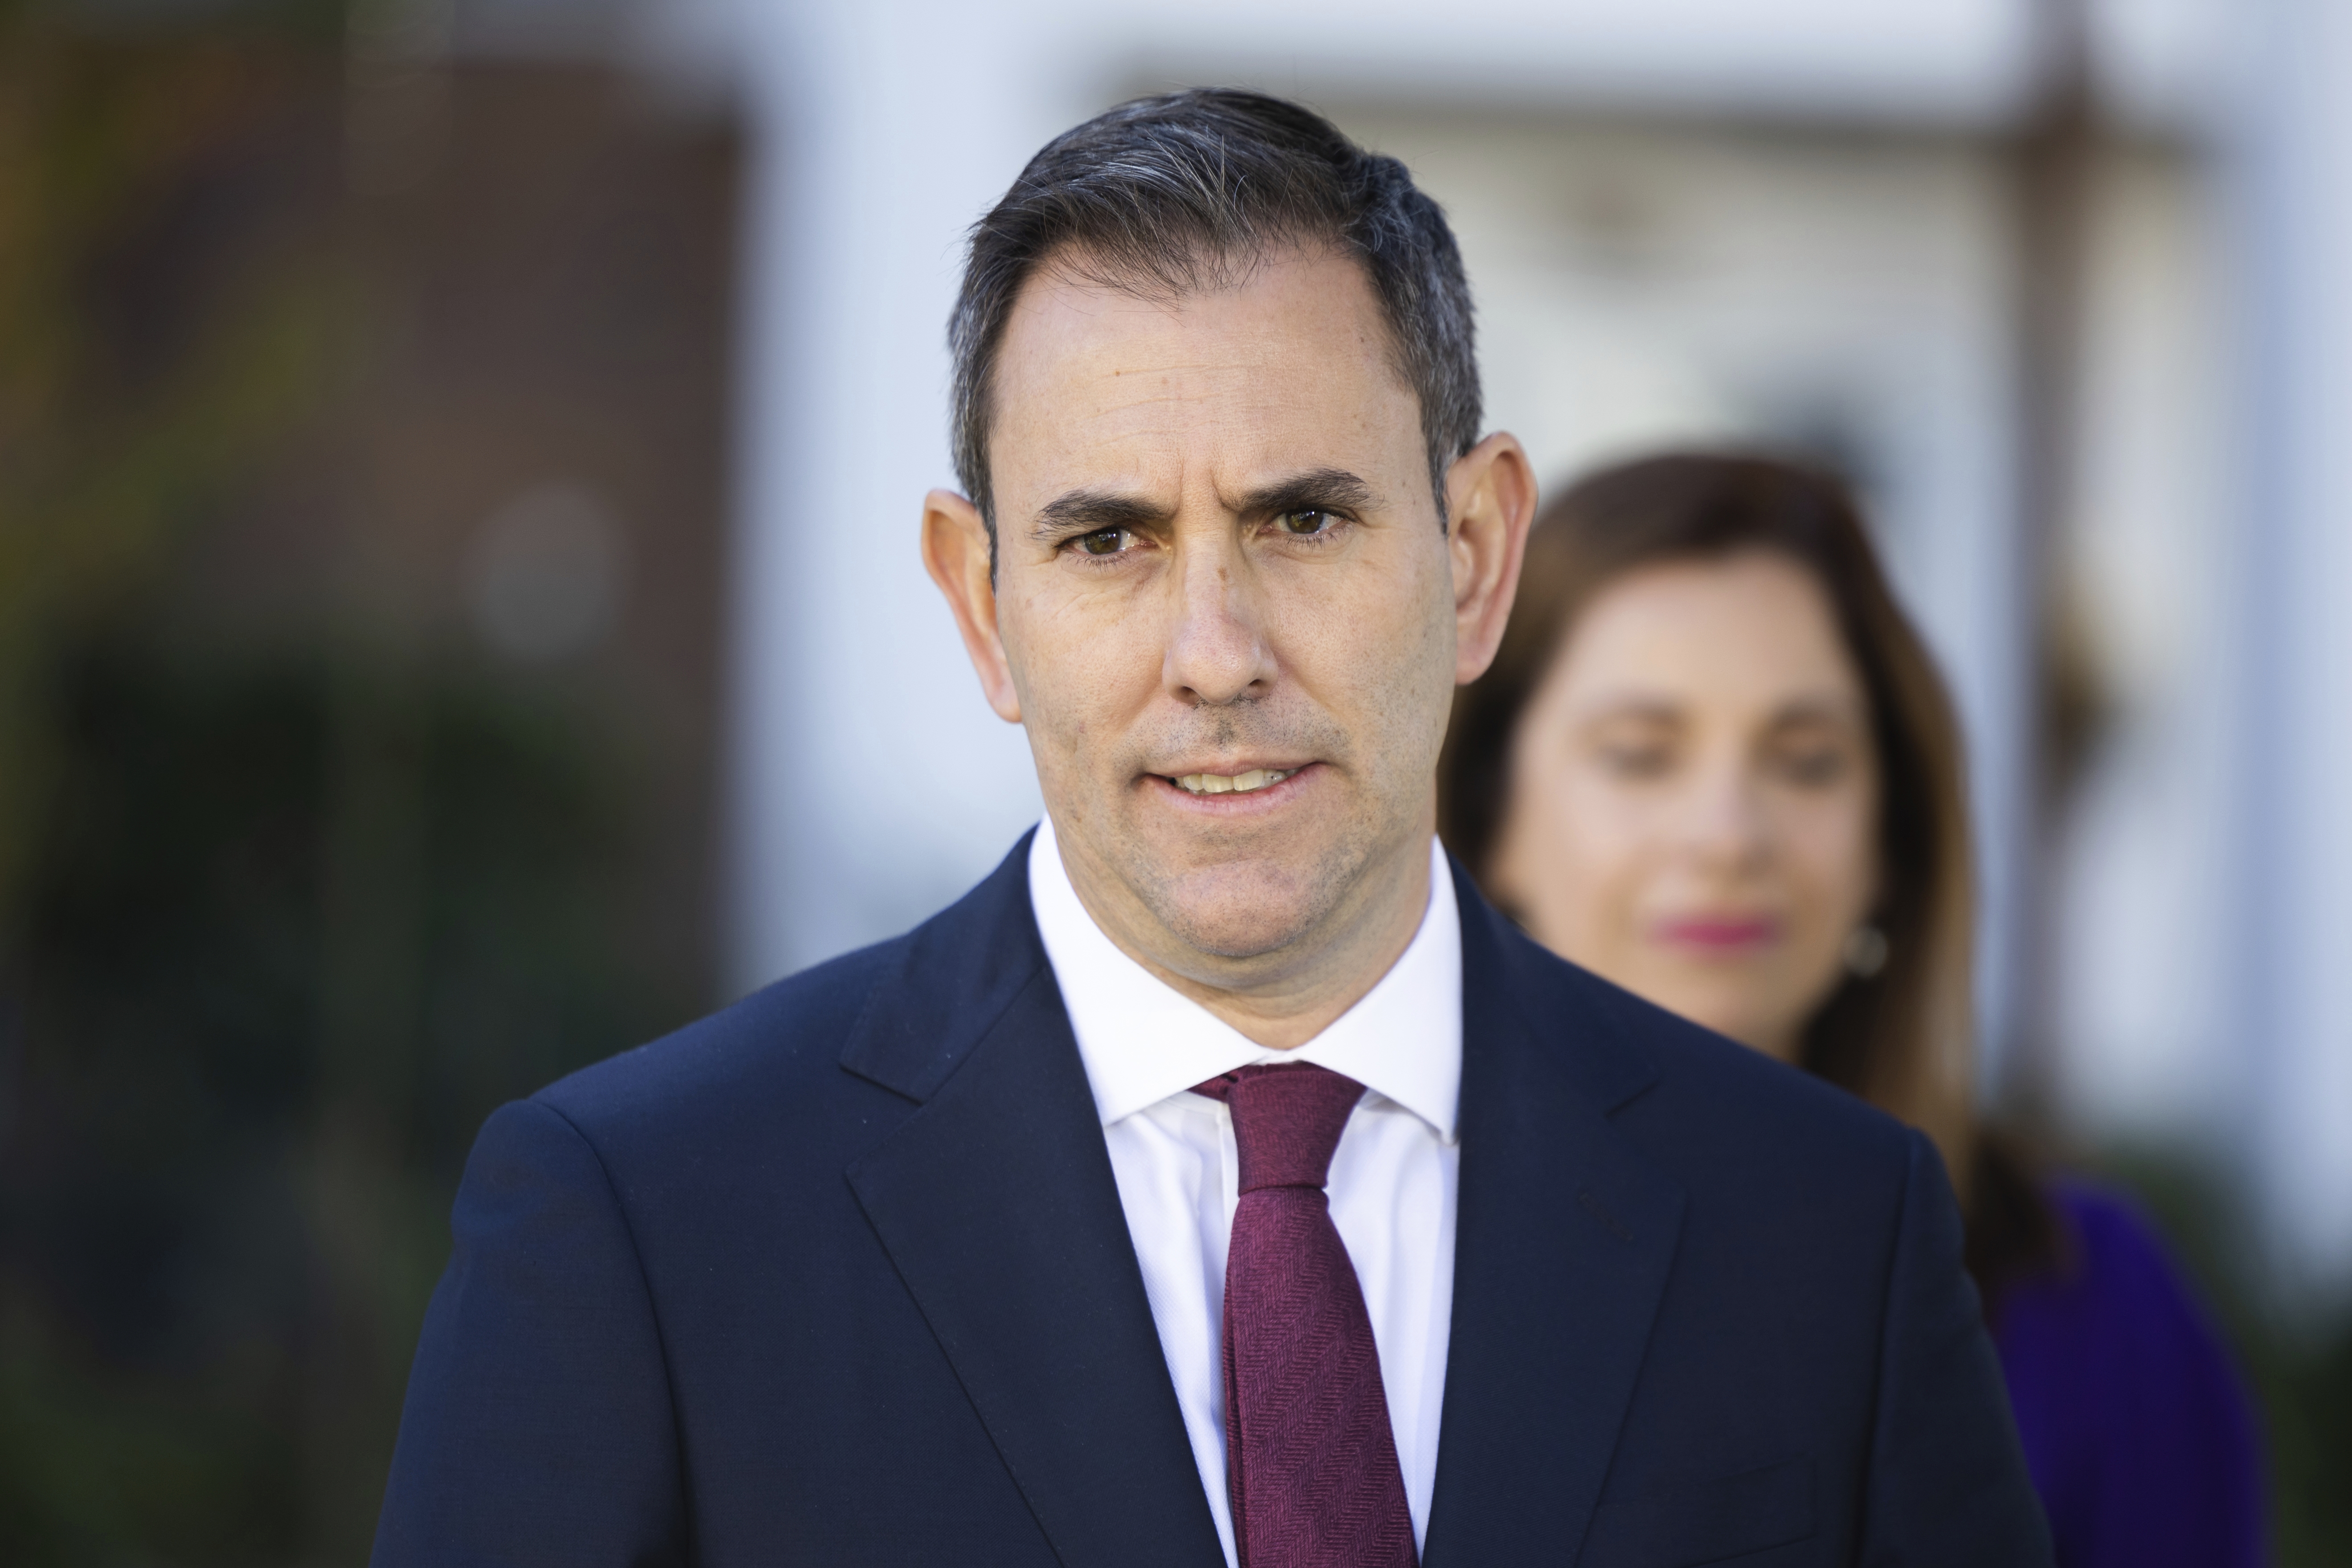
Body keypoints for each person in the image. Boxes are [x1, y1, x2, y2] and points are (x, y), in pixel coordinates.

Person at [371, 94, 2052, 1567]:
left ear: (1473, 555)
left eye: (1303, 519)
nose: (1218, 656)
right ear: (983, 605)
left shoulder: (1826, 1234)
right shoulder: (648, 1228)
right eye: (1108, 542)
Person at [1440, 451, 2264, 1568]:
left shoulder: (2090, 1305)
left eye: (1807, 759)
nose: (1729, 832)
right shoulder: (1362, 1258)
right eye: (1641, 755)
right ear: (1494, 822)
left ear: (1889, 844)